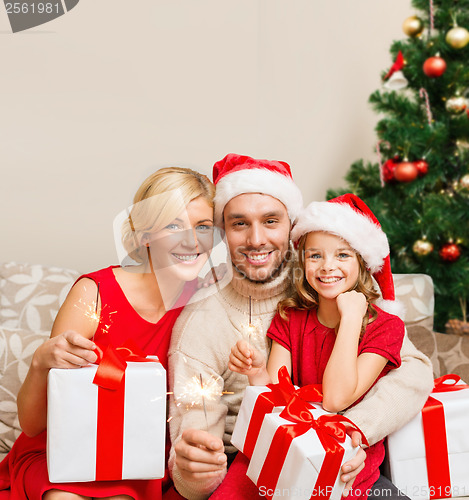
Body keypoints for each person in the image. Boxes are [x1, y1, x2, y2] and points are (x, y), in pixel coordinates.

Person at [167, 154, 433, 499]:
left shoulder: (327, 282)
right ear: (223, 233)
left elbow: (414, 370)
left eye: (271, 221)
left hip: (352, 461)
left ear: (292, 227)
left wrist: (354, 434)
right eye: (239, 224)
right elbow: (197, 453)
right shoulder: (204, 322)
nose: (257, 239)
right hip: (258, 462)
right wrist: (195, 469)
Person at [0, 167, 216, 500]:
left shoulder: (205, 302)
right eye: (173, 225)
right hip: (62, 454)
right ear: (145, 235)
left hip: (135, 461)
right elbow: (32, 426)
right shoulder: (95, 293)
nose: (191, 240)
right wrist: (41, 362)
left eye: (203, 226)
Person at [229, 194, 409, 500]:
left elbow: (335, 399)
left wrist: (351, 317)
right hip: (291, 446)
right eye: (315, 256)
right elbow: (277, 400)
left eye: (342, 255)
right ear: (303, 262)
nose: (328, 267)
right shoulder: (291, 317)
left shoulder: (386, 327)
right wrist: (257, 373)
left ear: (363, 263)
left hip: (346, 460)